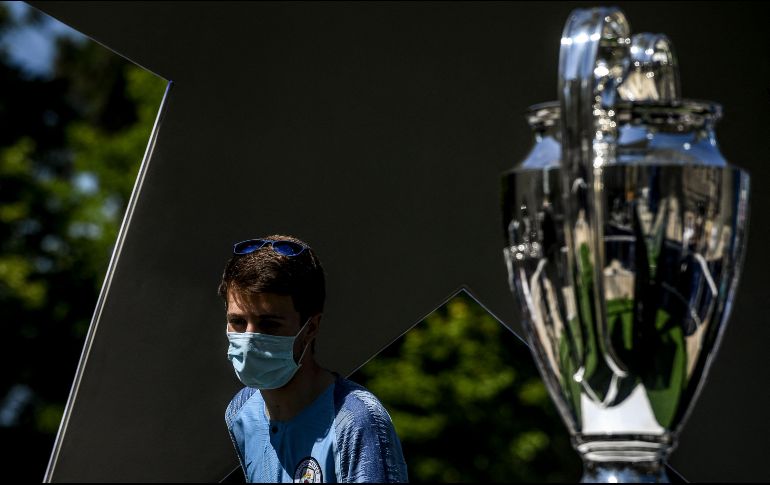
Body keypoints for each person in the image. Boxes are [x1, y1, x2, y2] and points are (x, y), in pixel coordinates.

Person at [219, 234, 409, 483]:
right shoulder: (241, 412)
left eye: (269, 324)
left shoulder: (356, 421)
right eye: (237, 322)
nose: (250, 338)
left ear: (310, 328)